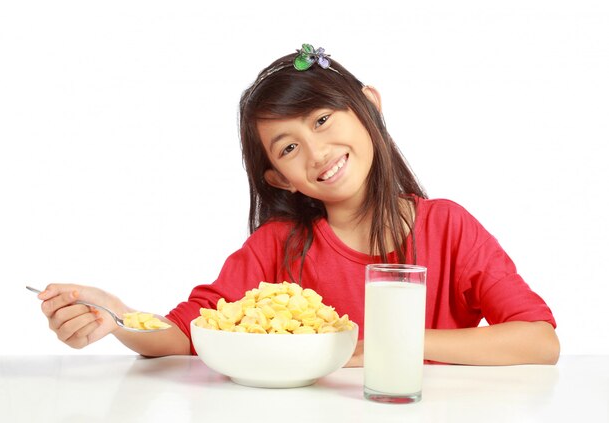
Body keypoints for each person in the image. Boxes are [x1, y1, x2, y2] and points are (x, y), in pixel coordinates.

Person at [37, 44, 560, 365]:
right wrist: (118, 316)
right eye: (288, 147)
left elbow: (539, 342)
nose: (317, 152)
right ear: (279, 178)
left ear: (369, 107)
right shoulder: (277, 248)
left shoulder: (448, 226)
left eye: (322, 120)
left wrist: (389, 343)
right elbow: (188, 333)